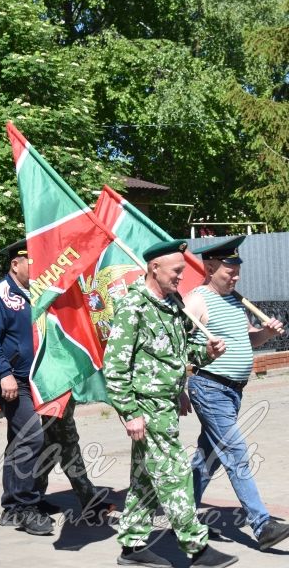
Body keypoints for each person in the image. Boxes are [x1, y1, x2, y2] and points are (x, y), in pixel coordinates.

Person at [104, 239, 237, 568]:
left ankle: (133, 547)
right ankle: (196, 547)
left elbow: (177, 354)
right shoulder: (133, 305)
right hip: (146, 406)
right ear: (154, 268)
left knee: (145, 476)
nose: (181, 277)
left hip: (164, 402)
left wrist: (207, 353)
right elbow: (115, 366)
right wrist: (130, 412)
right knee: (175, 471)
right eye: (177, 270)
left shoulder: (173, 303)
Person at [184, 236, 289, 551]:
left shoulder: (234, 299)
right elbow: (176, 347)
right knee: (236, 453)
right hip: (210, 387)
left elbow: (248, 341)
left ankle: (183, 517)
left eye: (238, 270)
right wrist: (179, 387)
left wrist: (266, 333)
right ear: (211, 267)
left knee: (208, 457)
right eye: (230, 271)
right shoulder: (196, 301)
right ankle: (262, 524)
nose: (236, 276)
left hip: (232, 392)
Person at [0, 239, 53, 536]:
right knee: (32, 436)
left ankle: (12, 506)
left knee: (19, 439)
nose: (38, 267)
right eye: (32, 261)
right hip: (12, 380)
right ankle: (25, 507)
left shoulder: (35, 293)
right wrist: (4, 374)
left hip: (35, 379)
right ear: (16, 264)